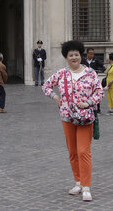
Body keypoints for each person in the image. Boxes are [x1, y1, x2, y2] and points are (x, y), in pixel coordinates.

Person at [42, 40, 104, 202]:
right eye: (71, 55)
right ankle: (77, 182)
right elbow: (46, 85)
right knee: (73, 152)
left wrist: (89, 103)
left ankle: (86, 187)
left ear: (81, 56)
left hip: (85, 118)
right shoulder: (61, 73)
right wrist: (54, 96)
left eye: (76, 54)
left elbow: (99, 92)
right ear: (66, 57)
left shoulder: (90, 73)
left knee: (83, 151)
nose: (74, 57)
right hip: (67, 117)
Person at [82, 48, 105, 114]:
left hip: (94, 80)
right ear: (87, 54)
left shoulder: (96, 60)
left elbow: (102, 65)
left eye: (93, 54)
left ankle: (97, 109)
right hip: (85, 80)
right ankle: (86, 106)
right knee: (86, 93)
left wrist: (103, 67)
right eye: (90, 54)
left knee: (96, 93)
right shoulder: (83, 60)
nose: (92, 55)